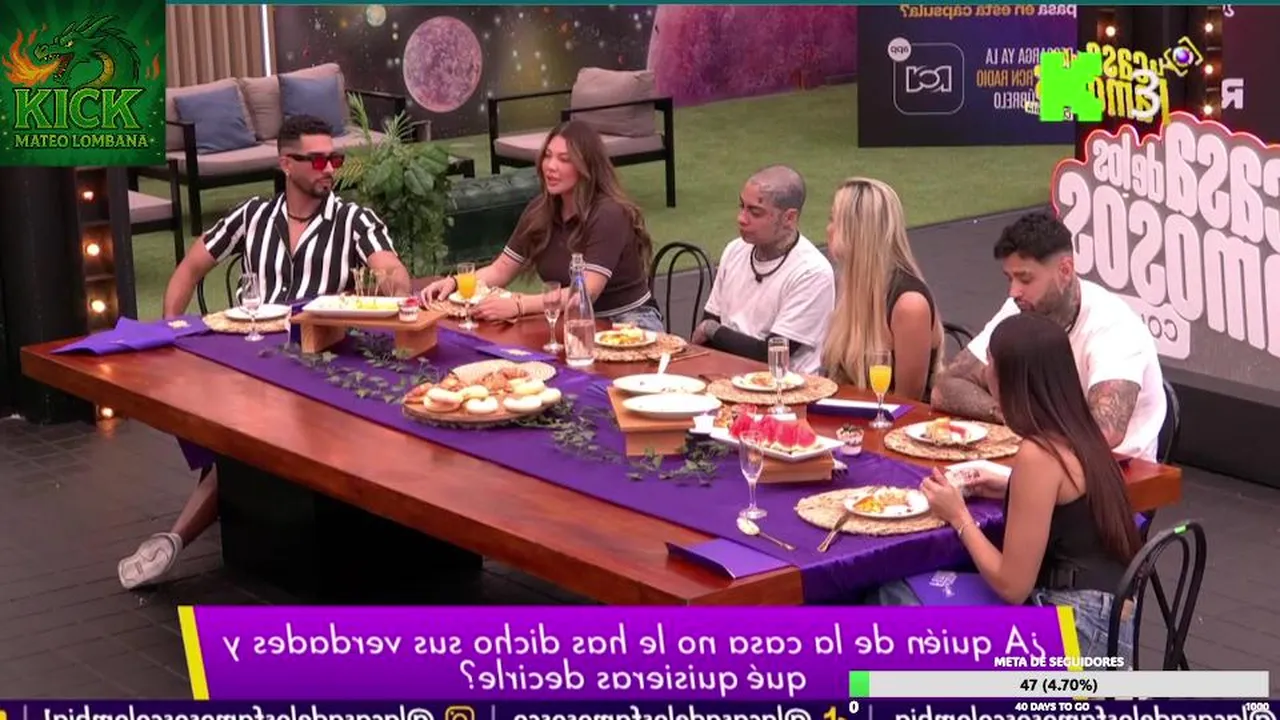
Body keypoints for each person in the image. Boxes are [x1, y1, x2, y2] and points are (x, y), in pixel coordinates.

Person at [116, 114, 411, 590]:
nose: (329, 169)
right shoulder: (251, 216)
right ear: (286, 164)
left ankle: (176, 537)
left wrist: (390, 283)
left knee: (243, 438)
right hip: (248, 354)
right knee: (220, 421)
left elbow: (392, 272)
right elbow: (189, 269)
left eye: (334, 159)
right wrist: (171, 327)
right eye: (317, 160)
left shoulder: (354, 221)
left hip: (316, 359)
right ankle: (198, 525)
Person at [881, 313, 1141, 666]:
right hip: (1111, 625)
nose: (986, 374)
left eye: (991, 364)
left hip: (1075, 638)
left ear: (1010, 378)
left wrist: (958, 516)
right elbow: (1072, 504)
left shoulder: (1039, 454)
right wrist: (1009, 486)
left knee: (894, 597)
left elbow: (1013, 586)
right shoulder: (1082, 433)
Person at [931, 210, 1166, 461]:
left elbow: (1105, 431)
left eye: (1025, 279)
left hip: (1118, 469)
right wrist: (1004, 414)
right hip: (1044, 454)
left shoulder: (1114, 327)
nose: (1014, 292)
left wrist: (1029, 427)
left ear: (1065, 270)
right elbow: (946, 387)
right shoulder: (1020, 308)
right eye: (1010, 279)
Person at [420, 120, 662, 331]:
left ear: (587, 167)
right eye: (547, 155)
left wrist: (519, 305)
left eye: (564, 159)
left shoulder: (609, 213)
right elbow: (500, 270)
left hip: (628, 321)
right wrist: (456, 284)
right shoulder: (540, 210)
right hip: (570, 321)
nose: (551, 166)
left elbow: (585, 292)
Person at [692, 165, 835, 374]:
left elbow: (772, 354)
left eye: (755, 212)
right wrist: (712, 330)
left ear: (789, 218)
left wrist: (712, 330)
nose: (741, 218)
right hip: (723, 375)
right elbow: (709, 323)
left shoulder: (812, 272)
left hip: (782, 385)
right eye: (742, 206)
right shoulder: (735, 250)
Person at [819, 178, 943, 401]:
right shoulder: (850, 287)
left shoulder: (909, 304)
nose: (828, 229)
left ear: (857, 231)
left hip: (892, 420)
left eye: (834, 220)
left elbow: (907, 403)